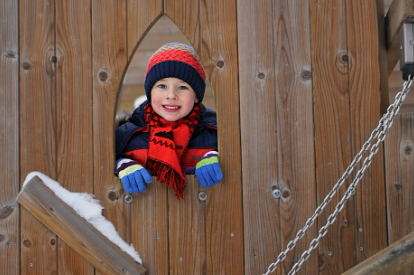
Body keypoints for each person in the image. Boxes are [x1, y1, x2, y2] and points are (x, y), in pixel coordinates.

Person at [115, 43, 223, 199]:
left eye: (182, 87)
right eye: (162, 86)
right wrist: (120, 164)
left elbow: (244, 158)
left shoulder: (216, 134)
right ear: (150, 93)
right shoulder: (127, 136)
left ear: (197, 96)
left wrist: (221, 156)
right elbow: (99, 166)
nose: (171, 95)